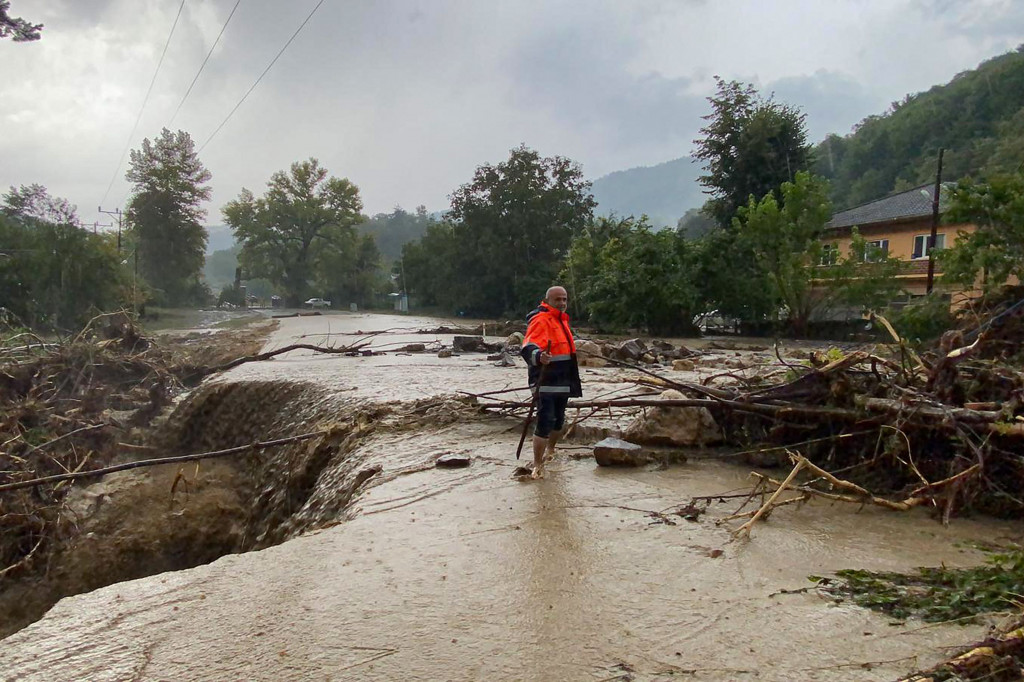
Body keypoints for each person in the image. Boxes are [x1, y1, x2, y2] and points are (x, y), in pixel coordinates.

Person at [519, 285, 582, 478]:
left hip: (563, 378)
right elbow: (528, 345)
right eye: (558, 300)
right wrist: (539, 356)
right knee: (546, 420)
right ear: (547, 300)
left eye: (564, 299)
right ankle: (538, 464)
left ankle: (551, 451)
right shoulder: (541, 320)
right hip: (544, 379)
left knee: (559, 419)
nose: (562, 303)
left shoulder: (561, 320)